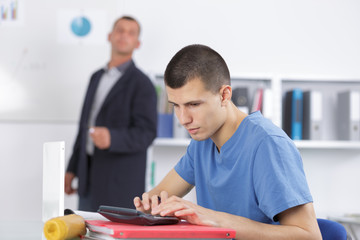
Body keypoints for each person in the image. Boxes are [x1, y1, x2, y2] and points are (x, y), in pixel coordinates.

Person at [134, 44, 322, 239]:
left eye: (194, 104)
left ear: (224, 95)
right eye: (176, 106)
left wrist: (216, 221)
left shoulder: (268, 144)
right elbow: (157, 198)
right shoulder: (201, 142)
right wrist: (148, 206)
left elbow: (309, 236)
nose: (183, 119)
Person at [65, 16, 157, 211]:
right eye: (119, 30)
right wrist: (72, 168)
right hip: (88, 178)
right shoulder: (95, 77)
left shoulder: (143, 84)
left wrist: (112, 138)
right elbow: (84, 126)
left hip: (120, 185)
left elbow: (147, 133)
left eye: (130, 33)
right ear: (110, 36)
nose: (124, 36)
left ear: (137, 43)